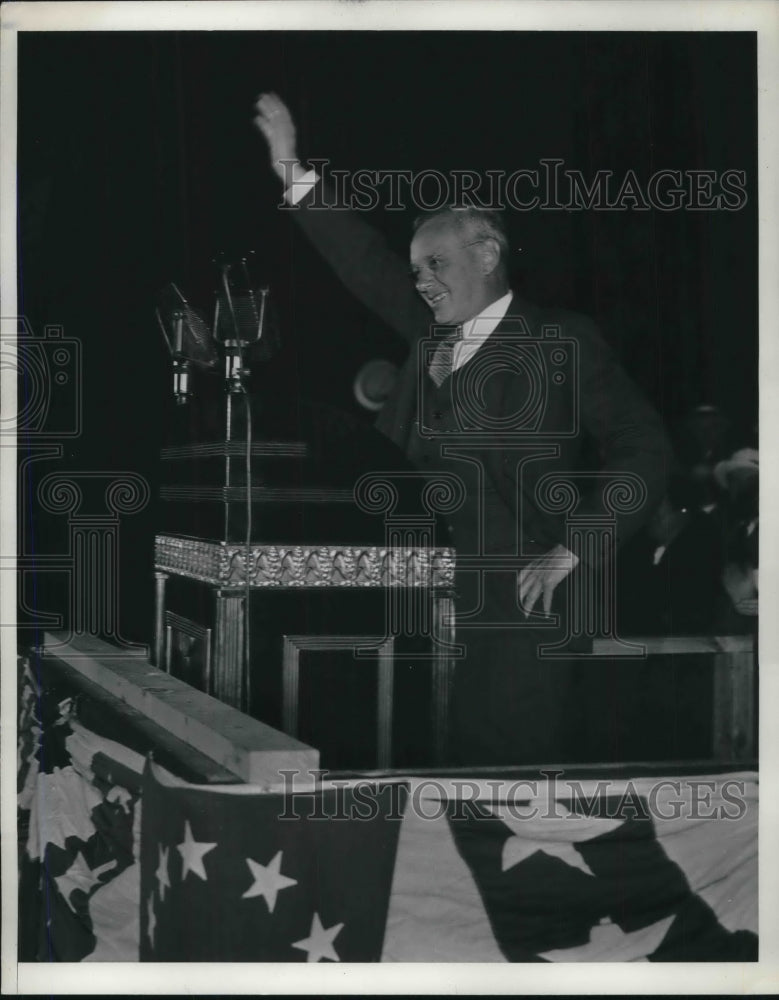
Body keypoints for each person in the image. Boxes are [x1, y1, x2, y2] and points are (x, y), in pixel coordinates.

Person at [253, 93, 671, 765]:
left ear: (486, 255)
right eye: (416, 269)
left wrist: (573, 548)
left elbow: (645, 449)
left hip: (521, 608)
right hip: (417, 600)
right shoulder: (426, 334)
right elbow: (362, 261)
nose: (419, 282)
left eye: (435, 265)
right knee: (416, 779)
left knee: (501, 793)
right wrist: (290, 168)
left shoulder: (559, 339)